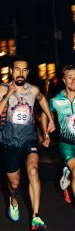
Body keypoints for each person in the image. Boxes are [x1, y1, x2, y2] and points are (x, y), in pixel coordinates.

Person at [0, 56, 55, 231]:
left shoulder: (33, 90)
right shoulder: (1, 89)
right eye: (17, 69)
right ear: (12, 71)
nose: (20, 73)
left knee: (33, 170)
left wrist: (50, 119)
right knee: (14, 184)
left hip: (28, 139)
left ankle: (36, 216)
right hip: (8, 142)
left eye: (24, 70)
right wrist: (8, 95)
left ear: (27, 72)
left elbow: (42, 99)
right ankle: (13, 199)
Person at [41, 65, 75, 204]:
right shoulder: (55, 101)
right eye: (70, 77)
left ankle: (67, 172)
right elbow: (44, 114)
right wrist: (46, 133)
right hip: (66, 144)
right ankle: (70, 170)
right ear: (64, 80)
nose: (74, 80)